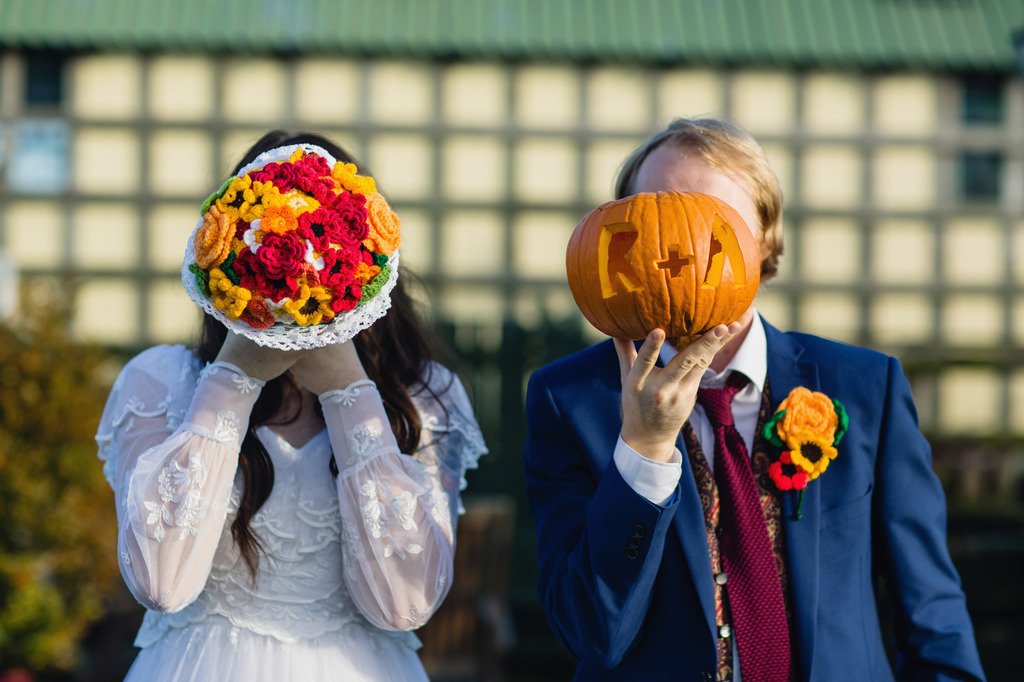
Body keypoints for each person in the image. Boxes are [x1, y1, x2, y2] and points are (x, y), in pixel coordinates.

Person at [524, 118, 984, 681]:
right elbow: (590, 632)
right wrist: (642, 450)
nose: (680, 249)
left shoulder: (865, 388)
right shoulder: (571, 401)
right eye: (656, 218)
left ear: (765, 239)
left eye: (710, 221)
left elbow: (931, 610)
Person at [95, 131, 487, 681]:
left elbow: (407, 604)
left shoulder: (421, 394)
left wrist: (348, 392)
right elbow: (161, 585)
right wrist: (231, 382)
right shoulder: (162, 382)